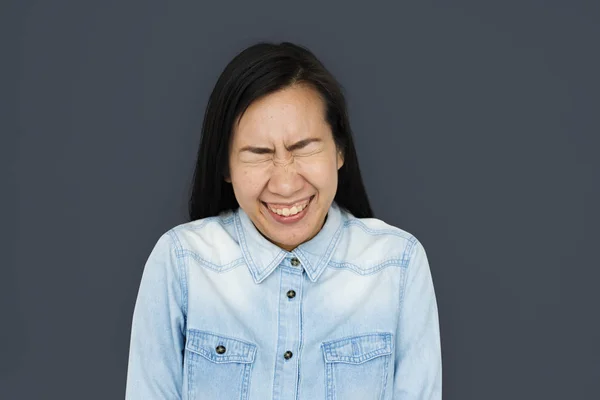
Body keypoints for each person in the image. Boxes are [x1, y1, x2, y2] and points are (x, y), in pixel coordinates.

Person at [125, 41, 442, 400]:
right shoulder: (181, 263)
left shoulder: (397, 263)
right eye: (258, 154)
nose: (286, 182)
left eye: (304, 147)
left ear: (340, 149)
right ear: (225, 166)